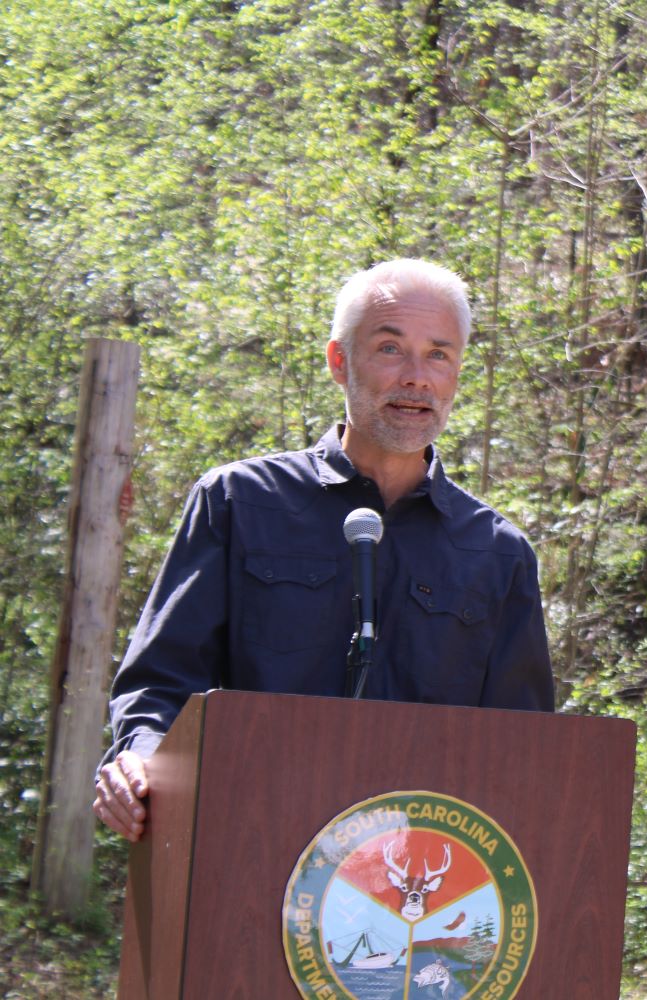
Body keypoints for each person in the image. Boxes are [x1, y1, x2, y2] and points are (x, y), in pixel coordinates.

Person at [92, 259, 553, 841]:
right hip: (243, 850)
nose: (417, 377)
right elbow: (162, 683)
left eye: (439, 354)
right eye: (390, 348)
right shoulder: (239, 502)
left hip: (414, 880)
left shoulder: (498, 553)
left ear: (459, 372)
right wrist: (139, 759)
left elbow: (528, 749)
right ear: (339, 362)